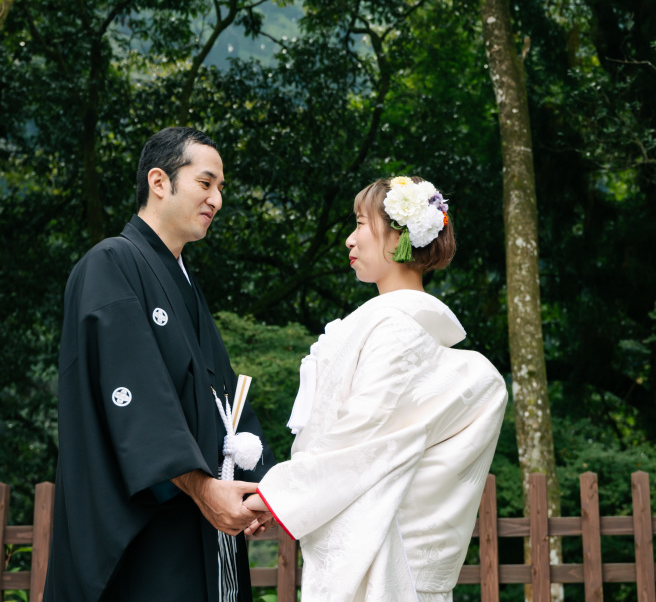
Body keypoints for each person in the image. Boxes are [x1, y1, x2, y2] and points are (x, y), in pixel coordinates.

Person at [245, 174, 508, 602]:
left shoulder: (396, 330)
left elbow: (359, 439)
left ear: (399, 236)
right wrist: (281, 502)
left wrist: (275, 497)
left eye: (360, 224)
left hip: (389, 567)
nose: (349, 240)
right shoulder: (400, 328)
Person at [43, 126, 274, 602]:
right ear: (159, 181)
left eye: (221, 189)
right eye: (206, 183)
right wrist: (203, 488)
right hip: (153, 523)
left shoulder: (185, 283)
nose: (217, 200)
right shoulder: (111, 262)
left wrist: (256, 491)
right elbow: (134, 399)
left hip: (200, 523)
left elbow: (223, 398)